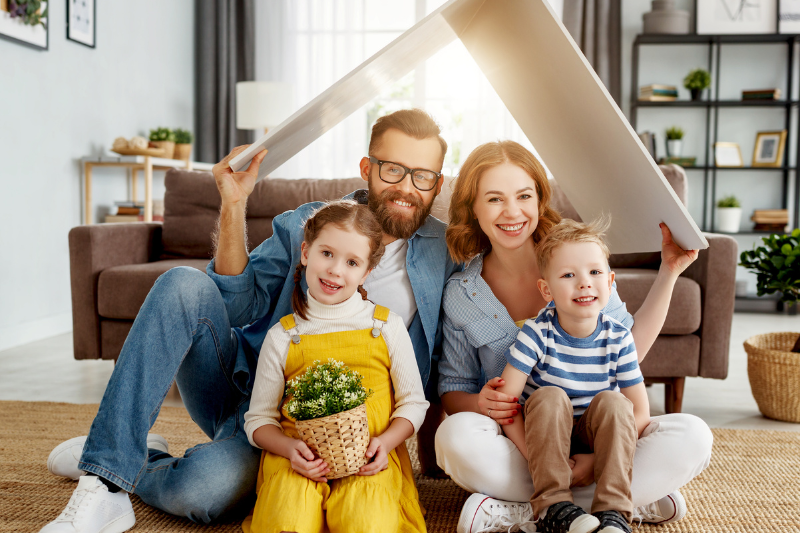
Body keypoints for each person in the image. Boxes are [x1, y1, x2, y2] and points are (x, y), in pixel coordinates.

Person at [40, 108, 457, 533]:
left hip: (341, 432)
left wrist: (422, 449)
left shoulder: (446, 251)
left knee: (202, 493)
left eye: (422, 176)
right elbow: (235, 306)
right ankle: (105, 480)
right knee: (183, 284)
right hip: (253, 398)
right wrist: (233, 204)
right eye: (393, 170)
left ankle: (127, 451)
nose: (406, 188)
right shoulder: (309, 225)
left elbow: (440, 362)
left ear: (437, 184)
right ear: (368, 168)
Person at [435, 141, 713, 533]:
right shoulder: (462, 292)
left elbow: (626, 347)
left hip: (601, 434)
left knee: (693, 436)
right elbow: (453, 389)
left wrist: (669, 272)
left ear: (539, 199)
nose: (512, 212)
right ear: (472, 208)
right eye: (495, 199)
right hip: (520, 442)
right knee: (455, 436)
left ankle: (529, 510)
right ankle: (626, 501)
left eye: (524, 196)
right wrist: (481, 403)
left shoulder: (578, 262)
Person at [242, 200, 428, 533]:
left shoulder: (387, 326)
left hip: (369, 462)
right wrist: (289, 449)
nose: (335, 270)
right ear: (305, 252)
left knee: (367, 523)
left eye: (352, 262)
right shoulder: (283, 335)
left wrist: (385, 444)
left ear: (366, 272)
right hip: (298, 463)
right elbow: (259, 420)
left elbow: (413, 403)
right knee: (288, 522)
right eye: (326, 253)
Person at [497, 218, 650, 533]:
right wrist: (543, 461)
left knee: (616, 403)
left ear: (610, 282)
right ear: (546, 289)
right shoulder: (536, 333)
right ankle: (553, 507)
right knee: (550, 396)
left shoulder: (619, 337)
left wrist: (594, 462)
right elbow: (507, 404)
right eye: (569, 275)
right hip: (545, 438)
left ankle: (614, 513)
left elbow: (640, 412)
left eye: (594, 273)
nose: (584, 283)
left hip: (594, 439)